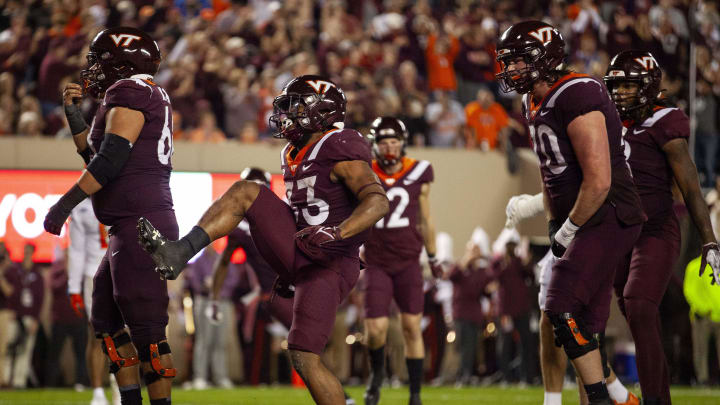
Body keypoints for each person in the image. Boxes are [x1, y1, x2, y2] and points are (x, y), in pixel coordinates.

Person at [137, 75, 389, 405]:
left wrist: (338, 232)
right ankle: (180, 251)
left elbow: (378, 202)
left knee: (304, 356)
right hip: (303, 248)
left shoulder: (339, 143)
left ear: (321, 111)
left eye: (295, 107)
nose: (286, 115)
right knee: (247, 192)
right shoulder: (292, 152)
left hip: (331, 260)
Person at [496, 20, 646, 405]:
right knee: (584, 324)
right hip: (585, 219)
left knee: (558, 307)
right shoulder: (534, 101)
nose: (511, 70)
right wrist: (552, 222)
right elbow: (552, 177)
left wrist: (568, 230)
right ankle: (613, 398)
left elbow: (598, 180)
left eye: (519, 61)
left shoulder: (578, 91)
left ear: (545, 59)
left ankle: (602, 396)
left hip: (607, 213)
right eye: (508, 63)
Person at [44, 27, 178, 405]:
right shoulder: (141, 94)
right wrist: (73, 116)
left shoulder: (130, 92)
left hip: (140, 224)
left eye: (98, 60)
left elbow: (110, 161)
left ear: (122, 62)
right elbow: (97, 158)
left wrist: (64, 203)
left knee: (149, 332)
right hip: (129, 225)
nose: (93, 68)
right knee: (104, 322)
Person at [603, 50, 720, 405]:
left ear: (649, 86)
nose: (620, 92)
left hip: (656, 229)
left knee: (639, 306)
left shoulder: (664, 122)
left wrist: (710, 242)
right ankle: (657, 396)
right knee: (637, 317)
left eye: (628, 84)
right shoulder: (608, 123)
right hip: (619, 234)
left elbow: (691, 189)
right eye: (616, 85)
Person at [362, 116, 440, 405]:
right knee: (375, 329)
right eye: (384, 142)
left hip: (408, 259)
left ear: (403, 143)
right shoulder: (364, 172)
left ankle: (415, 393)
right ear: (374, 145)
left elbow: (425, 218)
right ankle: (377, 376)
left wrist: (432, 256)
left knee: (411, 326)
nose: (389, 147)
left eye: (394, 141)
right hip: (376, 260)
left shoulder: (419, 170)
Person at [68, 197, 119, 405]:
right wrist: (73, 287)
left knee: (123, 334)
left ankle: (120, 388)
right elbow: (77, 250)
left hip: (120, 272)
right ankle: (98, 392)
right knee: (98, 334)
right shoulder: (80, 209)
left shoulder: (122, 195)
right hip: (93, 274)